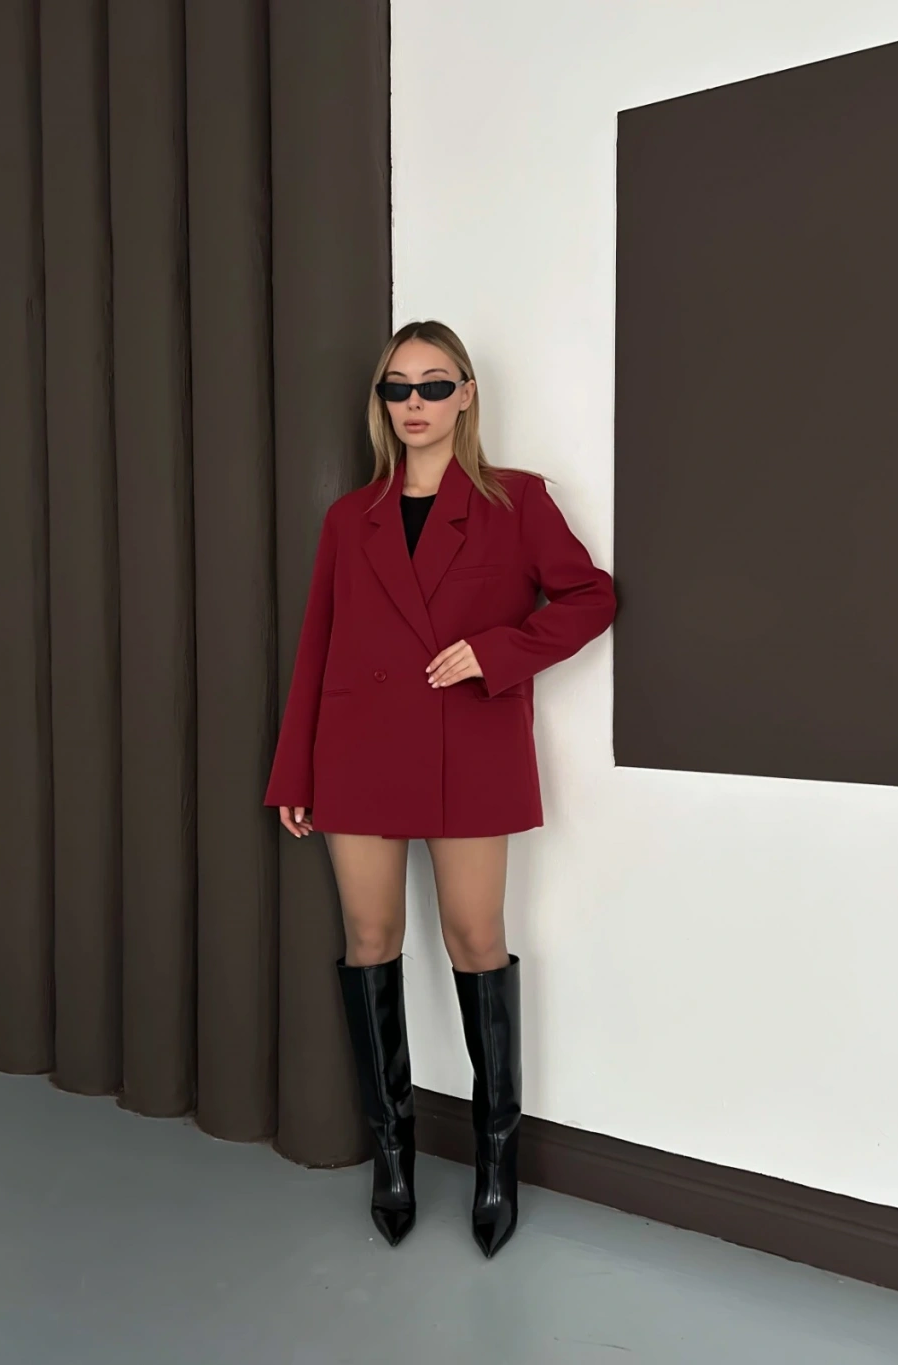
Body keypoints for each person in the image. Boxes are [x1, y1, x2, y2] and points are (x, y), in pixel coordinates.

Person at [263, 320, 615, 1258]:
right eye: (397, 387)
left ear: (466, 394)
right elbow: (318, 647)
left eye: (432, 384)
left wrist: (498, 652)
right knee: (369, 938)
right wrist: (295, 769)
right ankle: (392, 1153)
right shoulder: (352, 517)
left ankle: (497, 1156)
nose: (413, 403)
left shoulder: (516, 500)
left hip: (469, 746)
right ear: (381, 404)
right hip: (359, 751)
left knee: (474, 937)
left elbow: (592, 597)